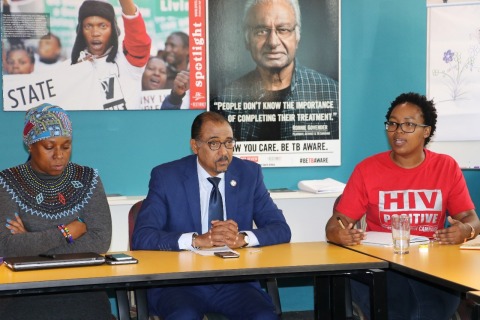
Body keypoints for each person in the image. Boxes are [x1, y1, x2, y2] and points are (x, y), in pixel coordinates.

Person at [325, 92, 480, 320]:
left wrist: (466, 231)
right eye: (393, 124)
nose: (398, 131)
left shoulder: (446, 167)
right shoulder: (367, 170)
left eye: (408, 125)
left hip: (433, 268)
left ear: (426, 131)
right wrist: (339, 234)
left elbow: (471, 218)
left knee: (428, 312)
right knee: (402, 313)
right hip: (382, 266)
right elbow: (334, 226)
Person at [132, 111, 291, 319]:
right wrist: (197, 240)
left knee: (264, 316)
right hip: (180, 284)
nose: (224, 152)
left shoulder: (249, 174)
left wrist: (242, 238)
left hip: (234, 283)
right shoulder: (166, 177)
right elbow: (142, 236)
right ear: (195, 145)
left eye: (229, 142)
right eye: (214, 144)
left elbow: (281, 229)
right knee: (184, 316)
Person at [0, 103, 113, 319]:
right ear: (30, 145)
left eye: (66, 145)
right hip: (23, 292)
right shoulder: (7, 182)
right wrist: (66, 233)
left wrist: (31, 243)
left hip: (82, 287)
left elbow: (99, 241)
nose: (59, 155)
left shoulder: (88, 179)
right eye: (49, 147)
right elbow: (7, 246)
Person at [211, 0, 339, 141]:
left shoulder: (332, 93)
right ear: (247, 39)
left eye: (283, 30)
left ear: (297, 36)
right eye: (262, 31)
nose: (273, 42)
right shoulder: (224, 101)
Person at [69, 0, 151, 110]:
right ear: (81, 31)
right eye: (88, 26)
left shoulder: (128, 61)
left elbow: (138, 36)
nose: (95, 33)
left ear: (113, 30)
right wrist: (75, 75)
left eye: (102, 26)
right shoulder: (71, 69)